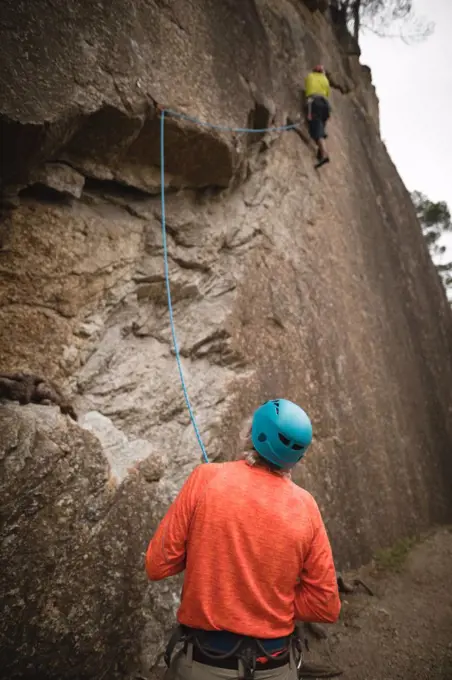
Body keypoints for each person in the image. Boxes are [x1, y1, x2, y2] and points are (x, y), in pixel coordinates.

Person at [145, 398, 341, 680]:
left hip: (204, 664)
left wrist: (209, 560)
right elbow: (325, 604)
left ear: (251, 434)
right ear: (296, 457)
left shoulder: (206, 478)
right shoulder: (306, 506)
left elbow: (157, 565)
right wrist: (270, 598)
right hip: (275, 668)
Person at [304, 65, 332, 167]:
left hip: (314, 102)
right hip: (326, 105)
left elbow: (307, 87)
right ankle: (320, 153)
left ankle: (324, 154)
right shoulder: (325, 80)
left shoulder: (310, 76)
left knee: (316, 129)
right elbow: (327, 93)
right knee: (320, 126)